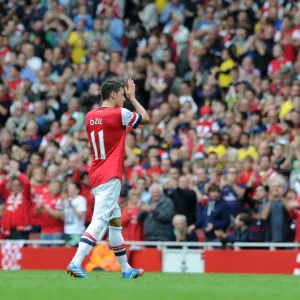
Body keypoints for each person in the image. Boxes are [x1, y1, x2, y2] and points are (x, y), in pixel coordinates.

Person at [67, 79, 150, 279]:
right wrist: (133, 98)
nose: (124, 98)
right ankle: (76, 262)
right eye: (122, 94)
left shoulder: (89, 116)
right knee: (99, 220)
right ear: (113, 94)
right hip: (110, 173)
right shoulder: (119, 114)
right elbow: (145, 119)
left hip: (95, 172)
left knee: (115, 222)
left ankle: (126, 269)